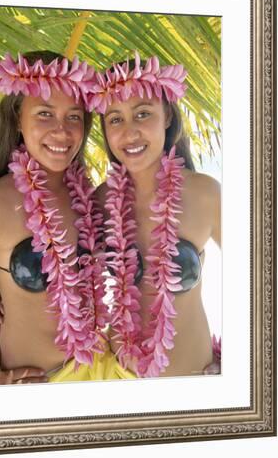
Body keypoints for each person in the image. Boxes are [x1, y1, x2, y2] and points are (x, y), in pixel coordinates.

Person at [0, 50, 122, 385]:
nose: (62, 131)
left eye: (74, 117)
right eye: (44, 113)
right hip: (35, 389)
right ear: (17, 119)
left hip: (102, 376)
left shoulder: (94, 199)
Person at [89, 51, 221, 378]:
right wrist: (0, 306)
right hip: (119, 381)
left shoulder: (204, 194)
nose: (129, 132)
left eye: (143, 113)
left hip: (195, 383)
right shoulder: (99, 201)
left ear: (168, 118)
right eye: (115, 119)